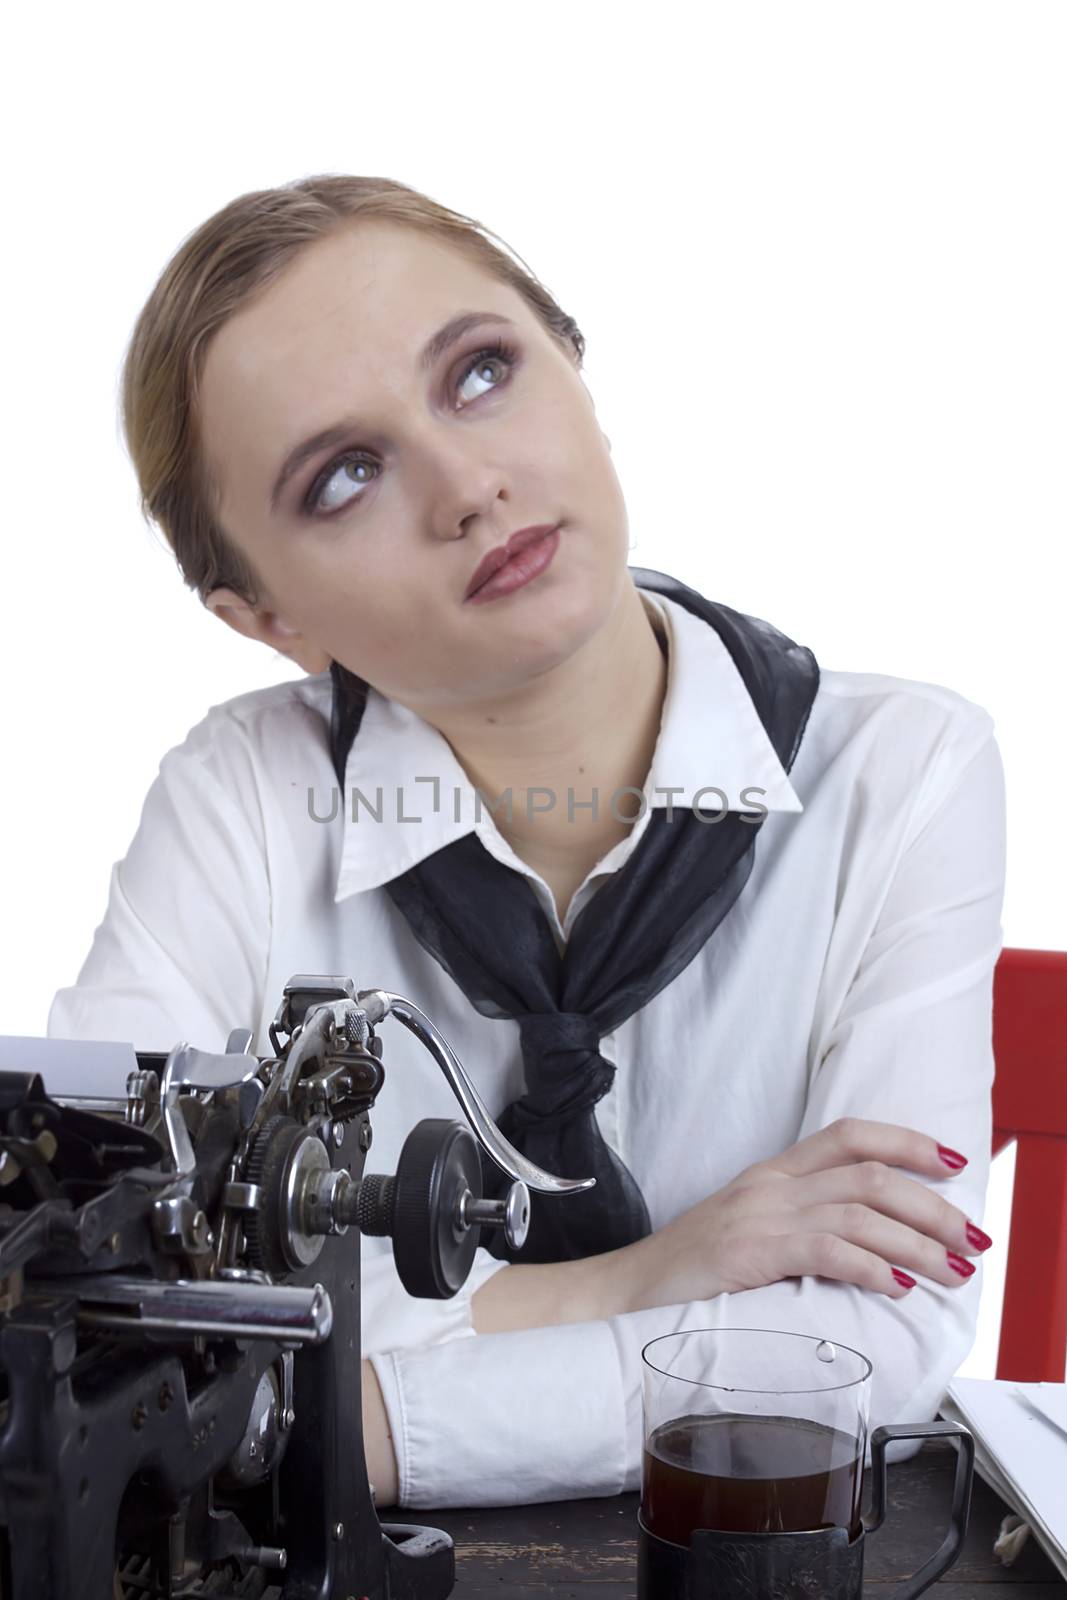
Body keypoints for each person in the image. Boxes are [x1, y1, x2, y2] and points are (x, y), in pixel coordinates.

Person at [47, 174, 1006, 1512]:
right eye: (345, 475)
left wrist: (334, 1428)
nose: (466, 488)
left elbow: (869, 1349)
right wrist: (645, 1280)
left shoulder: (905, 769)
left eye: (481, 373)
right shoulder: (241, 798)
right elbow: (111, 1327)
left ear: (573, 361)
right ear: (265, 615)